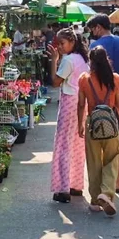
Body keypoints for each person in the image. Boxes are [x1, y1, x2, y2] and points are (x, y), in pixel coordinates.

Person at [87, 15, 119, 193]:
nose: (93, 33)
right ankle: (117, 181)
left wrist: (110, 86)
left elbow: (92, 74)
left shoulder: (95, 47)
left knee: (100, 139)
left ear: (99, 27)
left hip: (99, 102)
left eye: (93, 29)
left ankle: (103, 184)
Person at [77, 47, 119, 216]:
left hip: (93, 124)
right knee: (112, 158)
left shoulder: (84, 79)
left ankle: (94, 200)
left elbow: (81, 104)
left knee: (93, 162)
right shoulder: (115, 78)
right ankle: (106, 193)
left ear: (90, 61)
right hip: (111, 123)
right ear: (106, 59)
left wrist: (80, 124)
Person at [48, 29, 90, 203]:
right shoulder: (82, 59)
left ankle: (62, 188)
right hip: (81, 101)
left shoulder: (68, 60)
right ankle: (75, 185)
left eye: (63, 44)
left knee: (64, 144)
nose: (61, 47)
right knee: (77, 144)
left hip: (69, 101)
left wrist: (54, 61)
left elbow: (56, 81)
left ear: (72, 41)